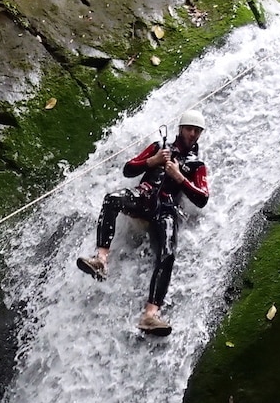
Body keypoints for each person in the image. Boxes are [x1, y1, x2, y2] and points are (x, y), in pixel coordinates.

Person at [76, 108, 210, 336]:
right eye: (190, 129)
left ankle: (150, 314)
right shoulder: (160, 148)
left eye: (197, 131)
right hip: (144, 195)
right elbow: (129, 169)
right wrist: (153, 161)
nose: (193, 134)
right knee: (112, 199)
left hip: (167, 208)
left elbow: (202, 198)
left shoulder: (197, 165)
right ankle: (100, 259)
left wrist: (179, 177)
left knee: (168, 253)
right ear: (180, 129)